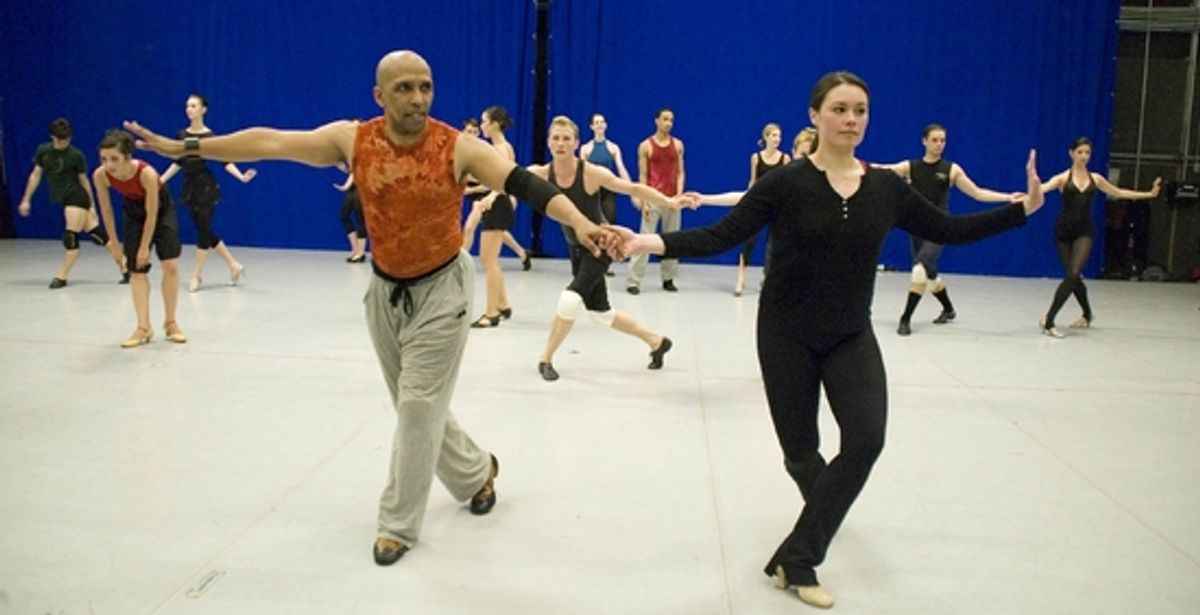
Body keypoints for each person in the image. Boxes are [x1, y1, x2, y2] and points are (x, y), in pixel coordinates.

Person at [123, 49, 611, 566]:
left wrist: (580, 222)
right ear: (379, 95)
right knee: (415, 407)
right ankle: (474, 473)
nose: (417, 97)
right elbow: (269, 142)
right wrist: (191, 146)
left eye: (425, 86)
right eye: (404, 88)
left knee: (419, 405)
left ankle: (397, 523)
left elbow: (523, 183)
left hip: (443, 290)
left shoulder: (456, 147)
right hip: (384, 291)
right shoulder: (352, 139)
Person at [606, 71, 1044, 608]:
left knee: (866, 440)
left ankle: (798, 558)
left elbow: (948, 231)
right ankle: (819, 519)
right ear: (815, 116)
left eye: (860, 110)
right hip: (785, 333)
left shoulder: (886, 187)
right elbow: (721, 235)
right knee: (802, 454)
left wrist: (1021, 210)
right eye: (839, 109)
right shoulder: (785, 183)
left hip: (849, 333)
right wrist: (644, 240)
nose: (851, 119)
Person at [531, 116, 692, 381]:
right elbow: (508, 179)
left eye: (566, 138)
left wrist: (669, 201)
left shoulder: (590, 173)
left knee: (569, 299)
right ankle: (657, 341)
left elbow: (631, 186)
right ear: (548, 142)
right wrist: (490, 197)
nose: (560, 143)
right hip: (576, 248)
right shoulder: (540, 174)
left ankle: (545, 358)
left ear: (577, 143)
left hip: (601, 245)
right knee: (600, 314)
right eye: (555, 138)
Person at [875, 124, 1025, 336]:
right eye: (935, 140)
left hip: (940, 227)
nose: (939, 144)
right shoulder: (911, 167)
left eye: (943, 140)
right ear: (924, 141)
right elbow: (882, 170)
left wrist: (1007, 197)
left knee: (920, 268)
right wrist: (852, 164)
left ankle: (905, 318)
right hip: (916, 226)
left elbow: (978, 193)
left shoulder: (952, 170)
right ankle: (948, 308)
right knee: (929, 272)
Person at [1036, 136, 1160, 337]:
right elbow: (1039, 190)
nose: (1084, 156)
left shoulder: (1096, 179)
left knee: (1074, 274)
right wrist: (1020, 196)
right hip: (1063, 233)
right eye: (1080, 152)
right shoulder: (1062, 178)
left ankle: (1049, 321)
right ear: (1071, 153)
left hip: (1084, 232)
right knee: (1073, 278)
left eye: (1087, 153)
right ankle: (1087, 314)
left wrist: (1149, 194)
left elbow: (1119, 192)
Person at [92, 130, 187, 348]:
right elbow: (106, 210)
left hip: (160, 210)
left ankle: (171, 322)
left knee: (170, 265)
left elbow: (152, 213)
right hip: (133, 210)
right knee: (136, 271)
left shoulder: (147, 174)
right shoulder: (100, 175)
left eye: (114, 159)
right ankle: (143, 327)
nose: (109, 165)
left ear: (127, 157)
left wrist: (144, 247)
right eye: (104, 159)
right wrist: (114, 245)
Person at [159, 94, 255, 293]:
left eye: (193, 106)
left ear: (203, 109)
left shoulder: (210, 138)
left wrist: (242, 177)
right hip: (189, 187)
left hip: (206, 187)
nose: (189, 109)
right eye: (187, 106)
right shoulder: (182, 136)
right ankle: (233, 265)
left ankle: (197, 275)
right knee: (205, 229)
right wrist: (159, 180)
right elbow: (178, 162)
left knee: (203, 229)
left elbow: (225, 160)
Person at [17, 118, 125, 288]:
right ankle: (126, 267)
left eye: (67, 139)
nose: (64, 143)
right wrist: (26, 199)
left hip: (76, 197)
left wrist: (91, 205)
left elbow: (84, 181)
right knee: (99, 236)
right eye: (60, 139)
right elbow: (36, 175)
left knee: (71, 238)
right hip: (64, 198)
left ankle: (61, 276)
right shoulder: (44, 152)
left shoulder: (76, 156)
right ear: (52, 137)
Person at [626, 108, 685, 294]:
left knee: (673, 241)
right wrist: (644, 200)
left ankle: (668, 278)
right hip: (653, 199)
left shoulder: (677, 145)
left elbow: (680, 172)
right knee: (644, 240)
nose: (668, 123)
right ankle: (633, 281)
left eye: (671, 120)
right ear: (657, 121)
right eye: (665, 119)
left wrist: (679, 196)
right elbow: (643, 175)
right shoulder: (645, 146)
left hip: (672, 200)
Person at [733, 123, 791, 296]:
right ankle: (740, 279)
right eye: (774, 135)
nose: (777, 139)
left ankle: (768, 278)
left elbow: (786, 184)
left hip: (777, 206)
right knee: (749, 242)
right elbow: (753, 182)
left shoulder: (785, 159)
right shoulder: (756, 158)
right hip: (759, 205)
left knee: (774, 244)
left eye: (779, 136)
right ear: (766, 137)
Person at [460, 118, 528, 262]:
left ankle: (462, 262)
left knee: (473, 228)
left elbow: (500, 177)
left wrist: (484, 193)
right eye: (469, 131)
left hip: (492, 196)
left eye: (475, 131)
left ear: (494, 124)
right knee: (495, 231)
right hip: (486, 196)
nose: (472, 134)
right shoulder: (477, 149)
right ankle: (522, 253)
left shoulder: (497, 148)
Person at [332, 163, 367, 262]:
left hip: (359, 191)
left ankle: (360, 252)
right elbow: (352, 171)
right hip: (352, 191)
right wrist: (345, 169)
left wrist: (345, 186)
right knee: (344, 216)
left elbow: (355, 173)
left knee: (359, 220)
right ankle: (355, 249)